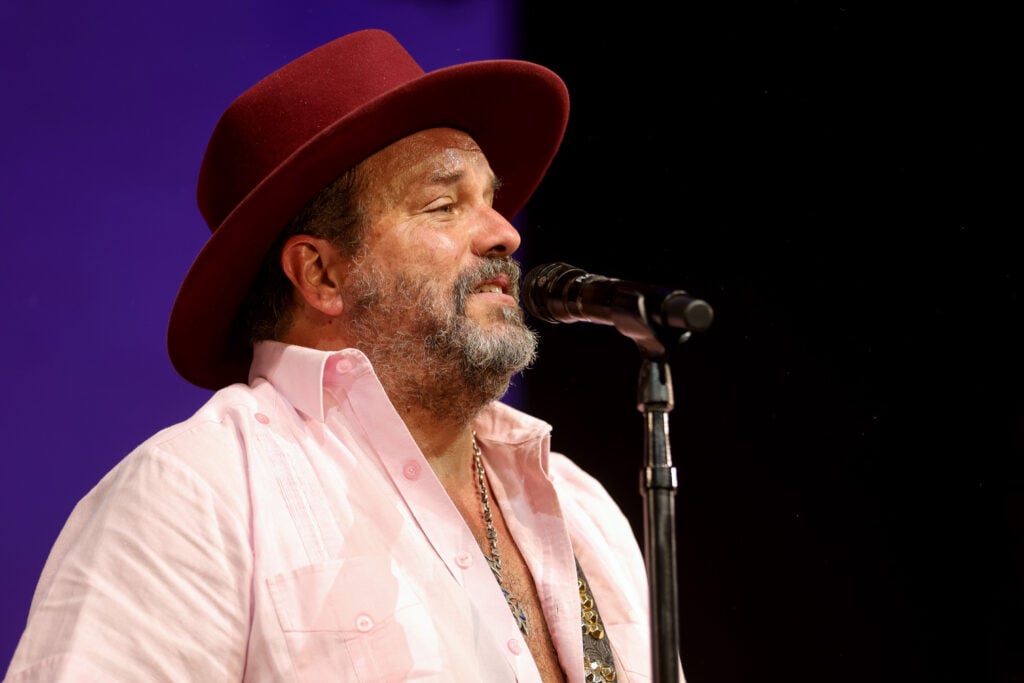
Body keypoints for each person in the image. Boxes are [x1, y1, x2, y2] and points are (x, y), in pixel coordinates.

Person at [5, 29, 673, 682]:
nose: (504, 233)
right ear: (321, 273)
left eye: (491, 201)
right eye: (444, 205)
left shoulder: (579, 505)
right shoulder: (195, 495)